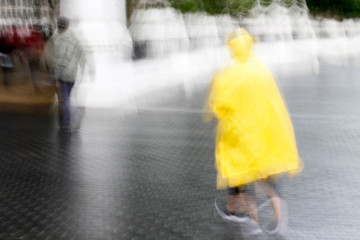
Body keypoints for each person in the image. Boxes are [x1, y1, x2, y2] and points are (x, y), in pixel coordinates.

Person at [204, 28, 302, 236]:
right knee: (263, 174)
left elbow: (217, 107)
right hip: (265, 133)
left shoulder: (229, 74)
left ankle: (246, 218)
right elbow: (274, 102)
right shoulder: (261, 69)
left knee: (239, 173)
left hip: (240, 135)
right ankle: (274, 212)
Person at [46, 16, 95, 132]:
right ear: (67, 25)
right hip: (73, 73)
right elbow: (82, 54)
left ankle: (70, 121)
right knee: (67, 97)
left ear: (58, 25)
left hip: (62, 73)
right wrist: (87, 70)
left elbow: (53, 58)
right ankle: (66, 121)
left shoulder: (55, 38)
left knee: (65, 98)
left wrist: (53, 74)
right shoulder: (74, 38)